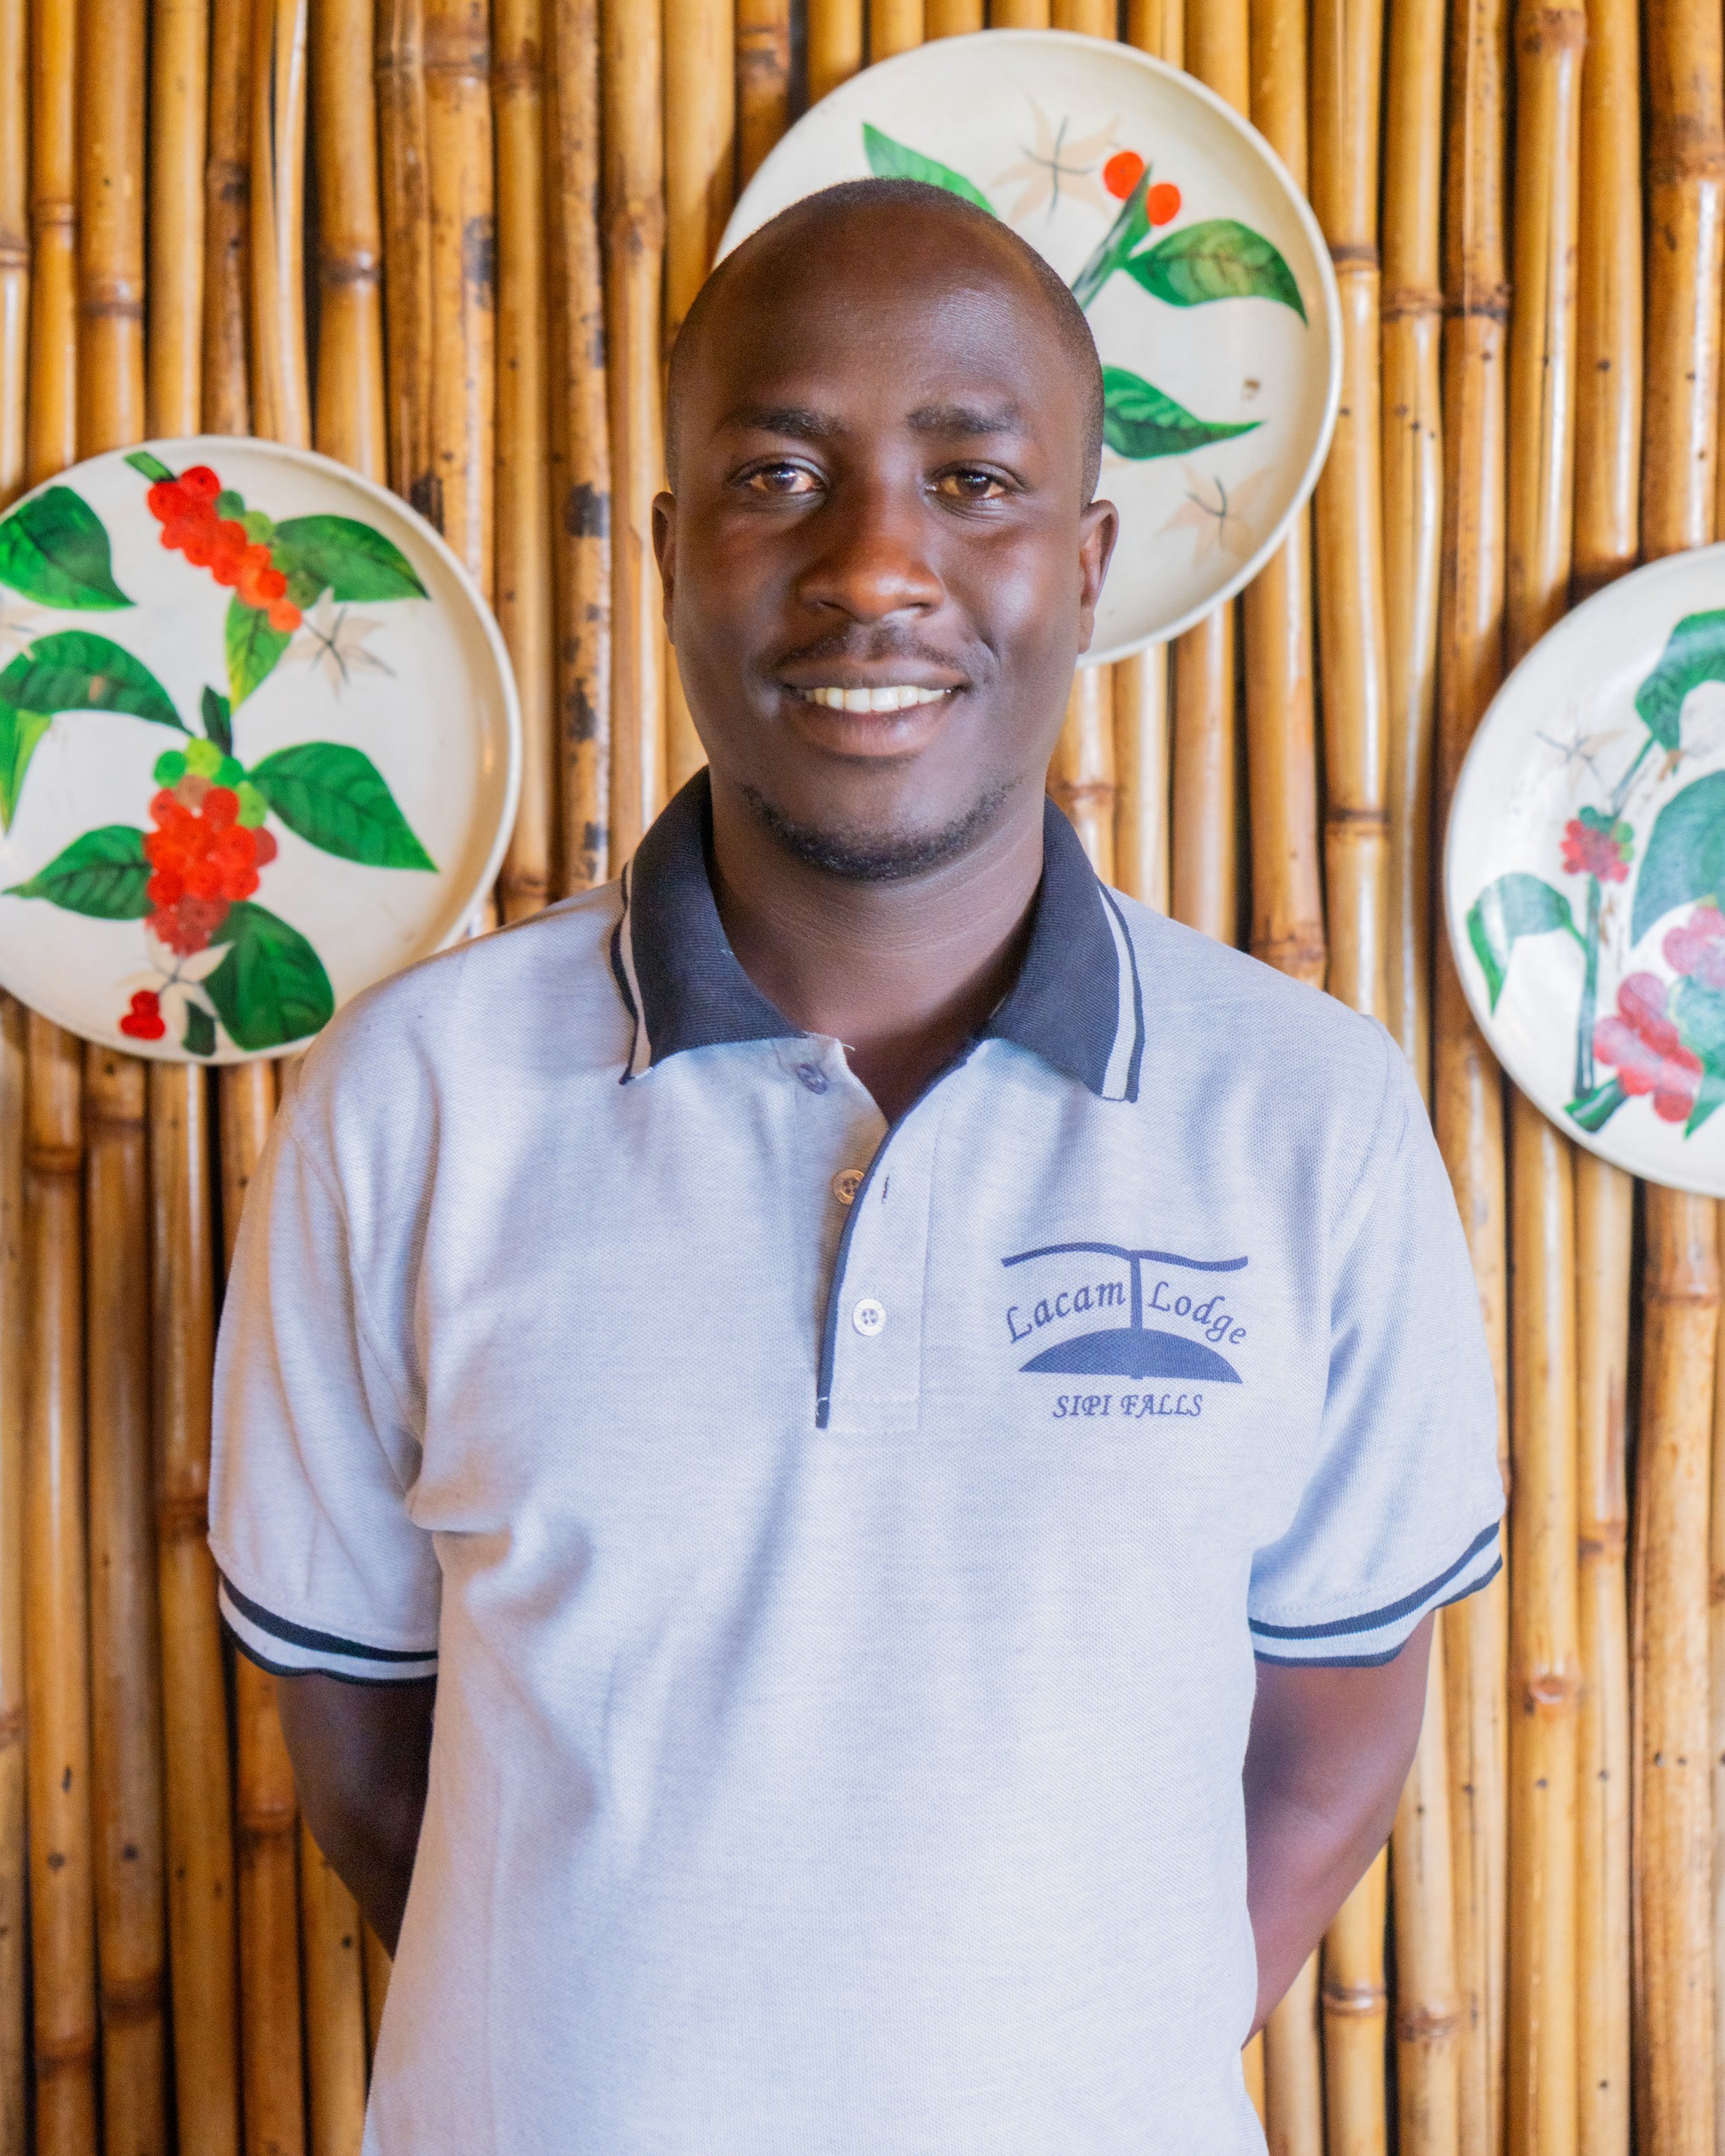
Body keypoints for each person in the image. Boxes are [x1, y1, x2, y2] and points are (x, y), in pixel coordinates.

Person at [209, 178, 1503, 2155]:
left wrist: (1051, 2071)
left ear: (1081, 560)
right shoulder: (417, 1104)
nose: (875, 563)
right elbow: (373, 1766)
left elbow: (1326, 1754)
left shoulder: (1304, 1121)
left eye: (971, 478)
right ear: (666, 554)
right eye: (777, 473)